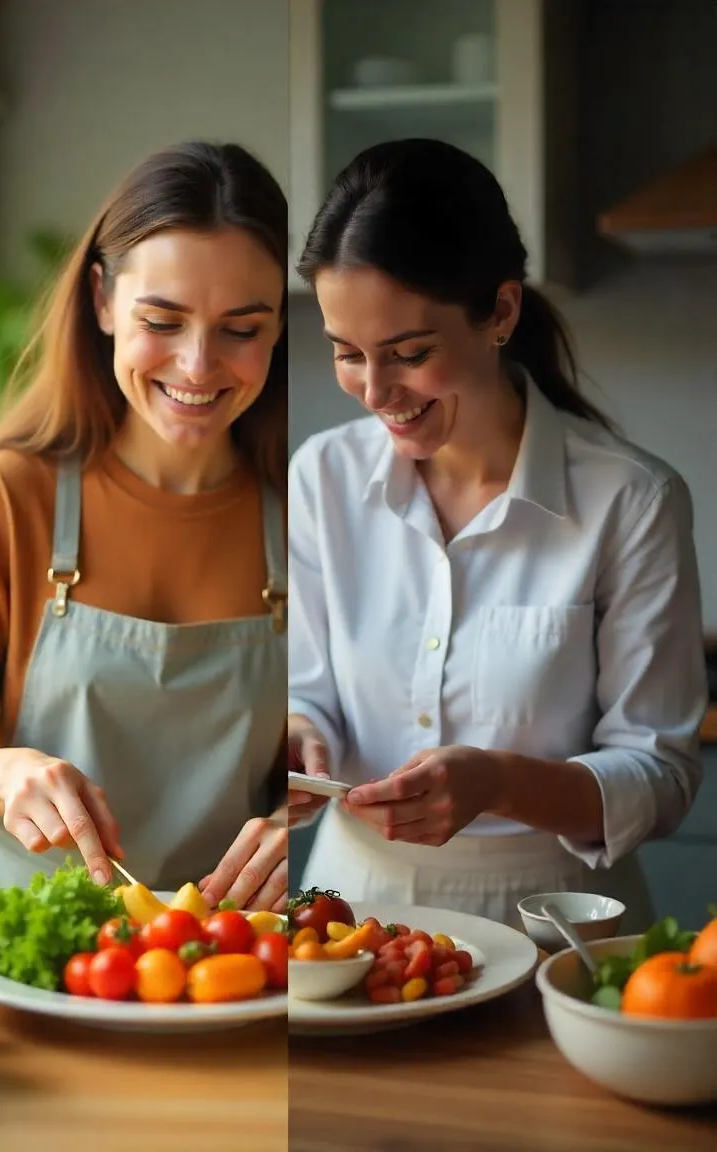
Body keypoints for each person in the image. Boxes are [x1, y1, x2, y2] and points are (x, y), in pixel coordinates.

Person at [287, 138, 707, 930]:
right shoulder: (322, 477)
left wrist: (499, 783)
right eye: (347, 354)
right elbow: (309, 691)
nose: (376, 392)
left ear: (501, 312)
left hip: (556, 922)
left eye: (409, 354)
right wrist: (297, 738)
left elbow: (661, 775)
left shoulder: (632, 499)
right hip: (342, 912)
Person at [0, 141, 288, 912]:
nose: (199, 366)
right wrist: (4, 774)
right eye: (162, 321)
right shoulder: (12, 491)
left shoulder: (302, 509)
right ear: (102, 301)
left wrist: (294, 817)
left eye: (242, 329)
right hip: (24, 942)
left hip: (221, 961)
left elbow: (323, 753)